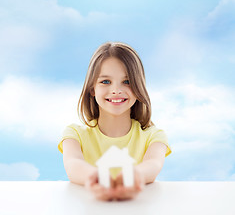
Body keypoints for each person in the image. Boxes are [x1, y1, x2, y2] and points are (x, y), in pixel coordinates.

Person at [58, 42, 171, 201]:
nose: (116, 90)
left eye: (127, 82)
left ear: (139, 87)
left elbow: (153, 164)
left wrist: (134, 177)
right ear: (92, 88)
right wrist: (96, 178)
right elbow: (72, 163)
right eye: (105, 81)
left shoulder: (154, 136)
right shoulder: (74, 134)